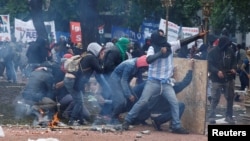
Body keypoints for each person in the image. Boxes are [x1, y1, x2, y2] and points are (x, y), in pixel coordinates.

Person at [122, 29, 207, 134]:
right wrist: (160, 53)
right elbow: (148, 60)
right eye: (161, 35)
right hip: (153, 81)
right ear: (156, 39)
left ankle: (176, 126)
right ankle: (127, 120)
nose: (163, 37)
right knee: (142, 101)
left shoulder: (170, 45)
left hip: (166, 83)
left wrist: (198, 36)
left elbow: (183, 42)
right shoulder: (152, 48)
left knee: (174, 103)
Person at [63, 42, 105, 125]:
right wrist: (103, 61)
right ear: (95, 50)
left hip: (71, 80)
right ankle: (72, 120)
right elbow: (100, 70)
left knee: (79, 100)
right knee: (79, 101)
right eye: (100, 51)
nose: (102, 53)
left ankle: (80, 119)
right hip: (73, 80)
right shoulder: (92, 58)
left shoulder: (87, 56)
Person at [148, 59, 194, 131]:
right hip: (159, 116)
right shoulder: (169, 87)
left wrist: (173, 72)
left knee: (172, 104)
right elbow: (185, 82)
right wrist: (190, 69)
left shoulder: (157, 81)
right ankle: (174, 125)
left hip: (152, 114)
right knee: (180, 105)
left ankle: (163, 122)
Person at [109, 55, 148, 124]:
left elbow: (140, 81)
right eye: (144, 68)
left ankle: (135, 119)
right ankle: (113, 117)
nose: (145, 70)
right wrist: (129, 94)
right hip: (115, 80)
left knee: (135, 100)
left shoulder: (138, 67)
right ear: (142, 65)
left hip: (124, 82)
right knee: (120, 100)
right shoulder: (130, 65)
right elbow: (123, 80)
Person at [207, 35, 237, 124]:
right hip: (216, 79)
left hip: (229, 78)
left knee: (230, 98)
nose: (227, 46)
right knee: (215, 98)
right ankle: (211, 116)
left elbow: (234, 62)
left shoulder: (230, 51)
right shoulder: (212, 52)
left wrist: (234, 68)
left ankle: (229, 116)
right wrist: (217, 71)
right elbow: (209, 65)